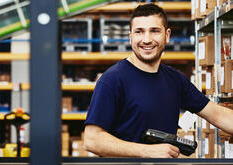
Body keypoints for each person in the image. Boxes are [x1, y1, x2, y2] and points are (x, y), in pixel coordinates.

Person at [83, 4, 233, 158]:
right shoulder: (113, 80)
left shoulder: (175, 80)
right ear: (130, 36)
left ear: (167, 35)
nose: (147, 40)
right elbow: (92, 139)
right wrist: (147, 151)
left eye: (154, 31)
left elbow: (217, 114)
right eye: (139, 32)